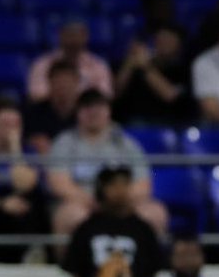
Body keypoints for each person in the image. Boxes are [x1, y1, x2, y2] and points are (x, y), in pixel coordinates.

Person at [46, 89, 168, 236]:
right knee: (71, 215)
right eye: (87, 107)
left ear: (108, 111)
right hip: (82, 204)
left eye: (99, 106)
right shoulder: (64, 142)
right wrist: (93, 203)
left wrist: (118, 202)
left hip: (122, 203)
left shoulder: (126, 143)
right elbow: (59, 184)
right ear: (77, 112)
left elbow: (143, 185)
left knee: (155, 213)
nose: (93, 112)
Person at [62, 166, 165, 277]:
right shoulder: (86, 229)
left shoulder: (143, 230)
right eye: (113, 184)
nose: (119, 190)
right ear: (102, 189)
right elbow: (76, 276)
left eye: (124, 184)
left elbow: (153, 276)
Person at [0, 103, 48, 263]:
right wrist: (2, 204)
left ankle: (30, 257)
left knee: (32, 202)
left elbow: (24, 185)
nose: (10, 130)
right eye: (5, 124)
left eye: (15, 125)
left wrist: (15, 149)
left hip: (20, 208)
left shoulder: (28, 151)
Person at [113, 25, 193, 127]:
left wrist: (146, 67)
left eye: (168, 39)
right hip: (132, 121)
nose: (163, 43)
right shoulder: (135, 63)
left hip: (169, 122)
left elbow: (170, 95)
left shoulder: (184, 69)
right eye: (160, 39)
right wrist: (129, 64)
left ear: (179, 44)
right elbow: (115, 92)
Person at [27, 20, 114, 103]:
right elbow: (37, 95)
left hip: (87, 114)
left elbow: (104, 96)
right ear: (61, 35)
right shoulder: (42, 64)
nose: (73, 40)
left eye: (77, 35)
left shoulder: (98, 65)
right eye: (69, 35)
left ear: (85, 37)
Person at [23, 60, 81, 153]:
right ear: (49, 82)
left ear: (77, 82)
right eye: (59, 81)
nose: (63, 86)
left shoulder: (86, 113)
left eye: (67, 81)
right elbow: (23, 141)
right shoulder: (33, 114)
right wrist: (31, 143)